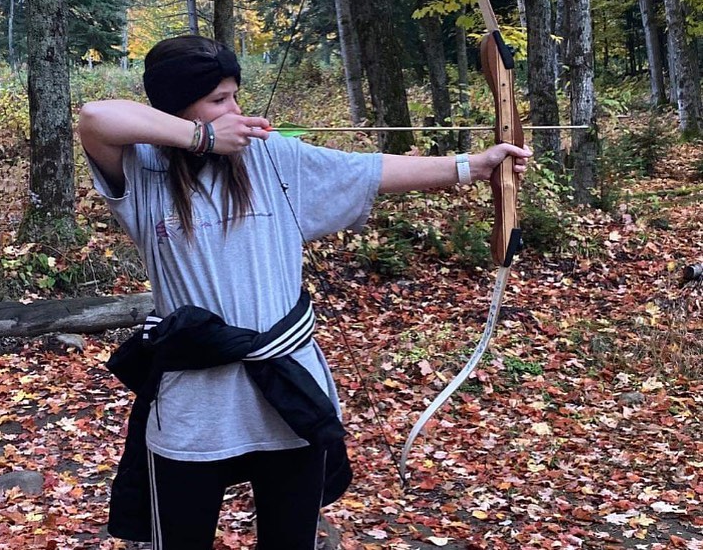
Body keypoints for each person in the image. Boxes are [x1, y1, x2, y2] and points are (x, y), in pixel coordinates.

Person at [78, 34, 531, 550]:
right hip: (194, 405)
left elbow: (370, 170)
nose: (236, 110)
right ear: (179, 107)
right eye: (219, 100)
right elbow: (95, 117)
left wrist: (472, 167)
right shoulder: (144, 171)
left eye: (236, 95)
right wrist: (201, 138)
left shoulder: (273, 159)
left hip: (288, 393)